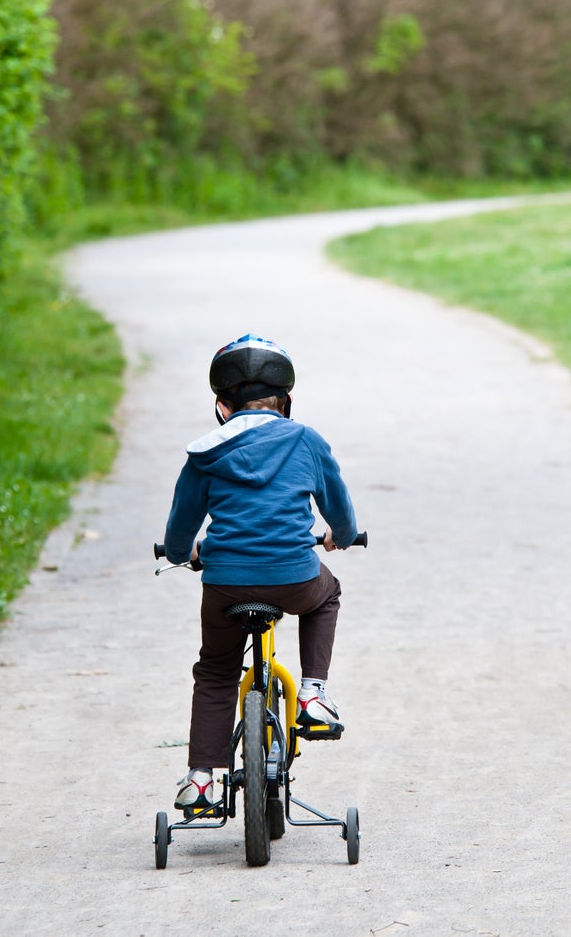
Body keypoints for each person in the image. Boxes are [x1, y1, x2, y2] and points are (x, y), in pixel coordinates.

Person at [163, 333, 358, 811]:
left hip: (226, 583)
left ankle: (202, 778)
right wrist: (340, 535)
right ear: (285, 401)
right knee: (326, 592)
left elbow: (179, 529)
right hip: (294, 578)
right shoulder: (306, 441)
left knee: (215, 672)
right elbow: (342, 515)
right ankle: (313, 696)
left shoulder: (205, 452)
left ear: (221, 405)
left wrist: (182, 552)